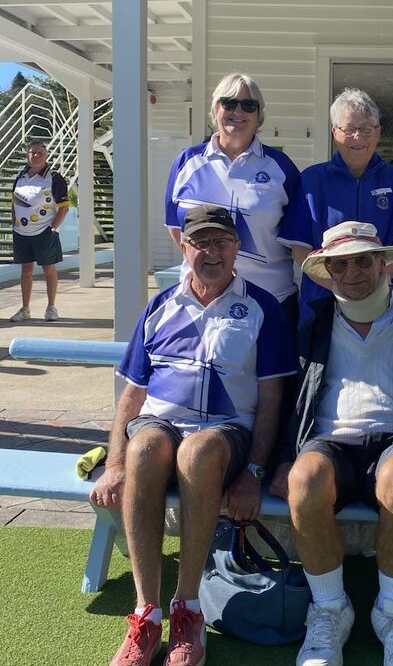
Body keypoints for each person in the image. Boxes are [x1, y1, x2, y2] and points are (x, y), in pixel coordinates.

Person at [90, 204, 296, 666]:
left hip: (225, 435)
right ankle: (146, 614)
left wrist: (255, 472)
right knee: (144, 445)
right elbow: (132, 397)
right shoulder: (161, 306)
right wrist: (116, 464)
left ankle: (188, 612)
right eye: (200, 242)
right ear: (184, 248)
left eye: (221, 241)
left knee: (199, 450)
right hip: (160, 428)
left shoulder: (263, 308)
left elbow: (272, 401)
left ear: (237, 248)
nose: (211, 251)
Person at [271, 221, 393, 666]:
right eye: (341, 264)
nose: (353, 272)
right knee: (305, 480)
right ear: (328, 271)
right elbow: (286, 399)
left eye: (363, 260)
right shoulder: (310, 327)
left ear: (384, 264)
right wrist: (279, 460)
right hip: (330, 439)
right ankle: (330, 609)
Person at [164, 72, 302, 326]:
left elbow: (297, 239)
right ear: (215, 110)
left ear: (259, 116)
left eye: (249, 105)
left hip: (270, 302)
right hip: (201, 302)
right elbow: (176, 228)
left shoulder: (280, 168)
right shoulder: (186, 162)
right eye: (229, 103)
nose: (238, 111)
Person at [278, 88, 393, 324]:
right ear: (334, 132)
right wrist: (341, 287)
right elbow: (300, 252)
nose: (358, 137)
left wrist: (370, 289)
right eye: (349, 129)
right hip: (322, 306)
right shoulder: (311, 181)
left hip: (385, 306)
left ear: (378, 132)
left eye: (366, 129)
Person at [9, 140, 70, 322]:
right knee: (26, 270)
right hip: (22, 232)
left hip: (44, 231)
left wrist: (53, 228)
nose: (36, 156)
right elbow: (15, 202)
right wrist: (14, 222)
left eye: (40, 153)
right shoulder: (20, 176)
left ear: (46, 156)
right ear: (27, 156)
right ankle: (25, 308)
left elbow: (64, 207)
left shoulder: (55, 178)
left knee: (48, 269)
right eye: (32, 152)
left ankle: (51, 307)